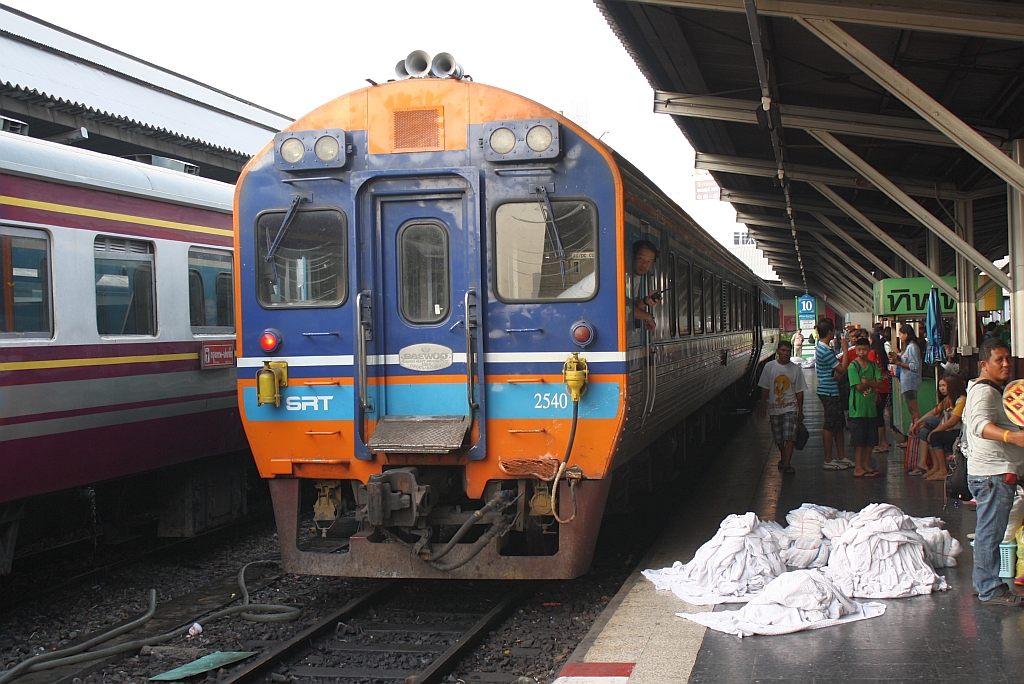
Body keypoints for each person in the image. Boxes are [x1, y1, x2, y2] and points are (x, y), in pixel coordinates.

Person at [963, 337, 1024, 605]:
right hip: (993, 474)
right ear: (984, 364)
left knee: (990, 531)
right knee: (990, 532)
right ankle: (990, 588)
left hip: (990, 473)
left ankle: (984, 583)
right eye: (999, 359)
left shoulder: (987, 390)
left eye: (1007, 358)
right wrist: (1013, 437)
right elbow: (979, 425)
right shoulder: (985, 391)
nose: (1006, 363)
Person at [758, 339, 807, 474]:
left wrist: (800, 410)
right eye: (783, 350)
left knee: (789, 435)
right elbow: (765, 388)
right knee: (778, 436)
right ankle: (783, 455)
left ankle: (787, 463)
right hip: (775, 409)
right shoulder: (769, 367)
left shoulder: (795, 369)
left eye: (788, 351)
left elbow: (799, 391)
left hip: (790, 409)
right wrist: (763, 407)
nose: (785, 353)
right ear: (778, 351)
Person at [909, 373, 966, 481]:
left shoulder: (961, 400)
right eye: (940, 386)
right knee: (925, 432)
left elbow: (952, 422)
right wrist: (917, 423)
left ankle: (943, 471)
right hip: (950, 430)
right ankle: (936, 467)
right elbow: (933, 411)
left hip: (959, 432)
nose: (941, 389)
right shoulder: (947, 400)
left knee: (934, 435)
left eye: (944, 385)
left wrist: (934, 431)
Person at [815, 320, 853, 470]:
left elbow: (835, 369)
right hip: (829, 390)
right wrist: (845, 349)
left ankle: (841, 456)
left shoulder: (822, 348)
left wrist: (836, 370)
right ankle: (829, 459)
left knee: (838, 425)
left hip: (830, 389)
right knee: (830, 425)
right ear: (830, 332)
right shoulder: (825, 350)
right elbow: (843, 368)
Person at [848, 337, 885, 478]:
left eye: (864, 349)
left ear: (869, 350)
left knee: (871, 439)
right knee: (859, 440)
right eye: (859, 350)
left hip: (871, 408)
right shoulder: (853, 366)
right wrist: (871, 383)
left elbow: (881, 384)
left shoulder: (873, 365)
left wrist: (867, 381)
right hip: (857, 409)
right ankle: (858, 467)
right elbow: (858, 386)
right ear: (855, 350)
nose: (862, 352)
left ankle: (866, 464)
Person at [891, 324, 923, 446]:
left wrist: (898, 363)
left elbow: (914, 366)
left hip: (910, 382)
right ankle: (913, 435)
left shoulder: (912, 347)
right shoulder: (908, 347)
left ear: (906, 334)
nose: (899, 336)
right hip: (907, 382)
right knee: (912, 409)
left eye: (901, 334)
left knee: (913, 410)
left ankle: (915, 436)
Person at [868, 336, 891, 453]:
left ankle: (882, 443)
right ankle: (884, 441)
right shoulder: (882, 354)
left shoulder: (872, 353)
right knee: (880, 415)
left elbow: (872, 370)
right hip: (885, 385)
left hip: (877, 387)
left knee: (877, 417)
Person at [632, 240, 660, 332]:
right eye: (641, 258)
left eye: (649, 261)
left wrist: (646, 301)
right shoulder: (620, 275)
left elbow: (632, 306)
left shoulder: (636, 278)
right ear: (632, 256)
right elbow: (623, 308)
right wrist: (647, 317)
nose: (645, 264)